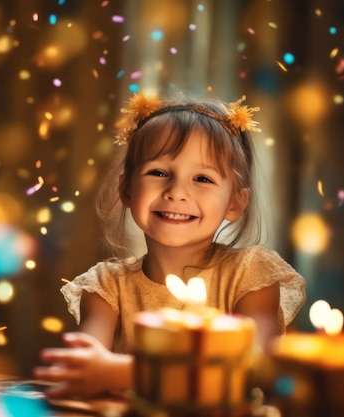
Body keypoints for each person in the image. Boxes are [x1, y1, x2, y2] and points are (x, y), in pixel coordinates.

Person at [33, 91, 306, 399]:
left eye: (202, 179)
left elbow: (254, 372)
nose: (177, 192)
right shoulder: (107, 288)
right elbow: (84, 372)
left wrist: (123, 373)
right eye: (159, 172)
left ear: (235, 202)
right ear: (126, 189)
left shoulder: (251, 276)